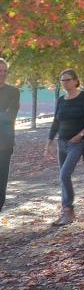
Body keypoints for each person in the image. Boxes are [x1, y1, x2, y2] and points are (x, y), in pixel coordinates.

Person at [45, 67, 84, 226]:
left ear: (75, 81)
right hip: (61, 143)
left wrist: (82, 134)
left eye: (68, 79)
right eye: (62, 80)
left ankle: (68, 210)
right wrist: (49, 142)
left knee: (64, 175)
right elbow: (56, 122)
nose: (64, 83)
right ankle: (65, 211)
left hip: (77, 143)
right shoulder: (61, 100)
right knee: (63, 177)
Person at [0, 57, 20, 213]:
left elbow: (10, 117)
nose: (2, 74)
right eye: (0, 71)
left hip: (4, 146)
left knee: (1, 186)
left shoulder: (14, 91)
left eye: (5, 71)